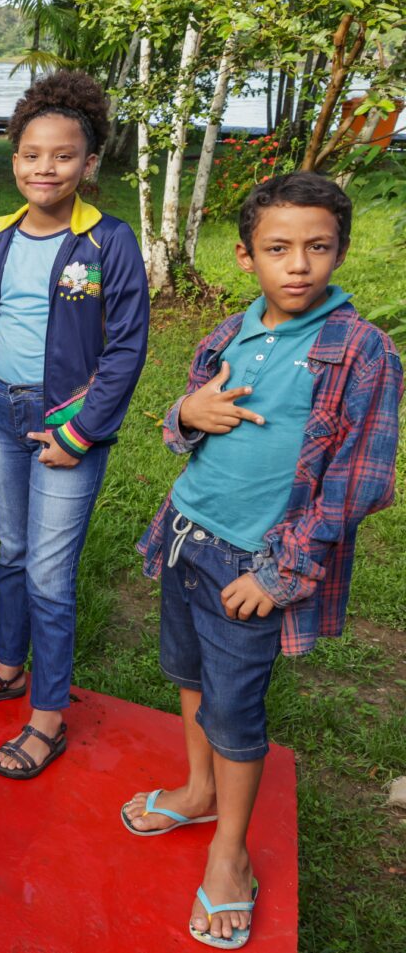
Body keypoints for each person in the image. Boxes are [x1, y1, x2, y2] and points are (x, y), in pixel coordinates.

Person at [126, 173, 399, 950]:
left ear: (341, 251)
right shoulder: (228, 332)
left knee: (236, 706)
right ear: (247, 257)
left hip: (255, 562)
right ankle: (198, 787)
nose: (299, 264)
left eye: (318, 247)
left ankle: (229, 855)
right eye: (279, 248)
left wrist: (279, 574)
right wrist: (185, 413)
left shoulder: (362, 352)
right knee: (186, 673)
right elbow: (189, 421)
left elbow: (361, 482)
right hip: (187, 534)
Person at [0, 71, 150, 779]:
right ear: (15, 157)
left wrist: (80, 431)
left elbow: (126, 348)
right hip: (1, 413)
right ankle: (8, 665)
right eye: (32, 154)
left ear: (89, 165)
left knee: (52, 574)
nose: (45, 168)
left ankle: (49, 715)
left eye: (63, 156)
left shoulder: (109, 243)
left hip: (64, 427)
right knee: (12, 553)